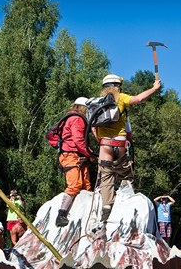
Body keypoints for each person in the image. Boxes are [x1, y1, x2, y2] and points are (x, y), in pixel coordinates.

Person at [95, 74, 161, 225]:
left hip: (104, 144)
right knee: (126, 175)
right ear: (118, 86)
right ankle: (128, 205)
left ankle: (107, 206)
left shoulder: (97, 102)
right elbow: (139, 99)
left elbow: (93, 126)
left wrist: (99, 139)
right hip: (120, 143)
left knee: (106, 177)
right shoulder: (121, 97)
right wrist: (154, 88)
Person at [56, 97, 94, 227]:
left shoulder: (70, 118)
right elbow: (78, 141)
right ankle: (61, 215)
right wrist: (91, 154)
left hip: (76, 155)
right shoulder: (77, 119)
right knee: (75, 184)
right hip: (71, 155)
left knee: (86, 186)